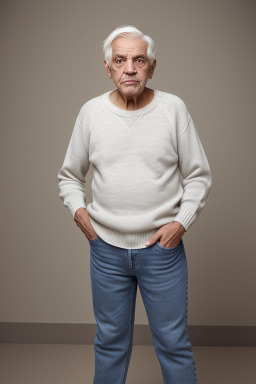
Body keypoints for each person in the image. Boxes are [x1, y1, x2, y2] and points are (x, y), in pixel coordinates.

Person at [57, 25, 212, 384]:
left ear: (151, 67)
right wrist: (83, 218)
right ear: (108, 69)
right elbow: (69, 176)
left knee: (173, 343)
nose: (130, 68)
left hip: (163, 250)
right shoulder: (91, 113)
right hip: (106, 251)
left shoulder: (173, 109)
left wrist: (181, 223)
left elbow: (199, 176)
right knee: (110, 343)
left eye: (138, 60)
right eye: (120, 60)